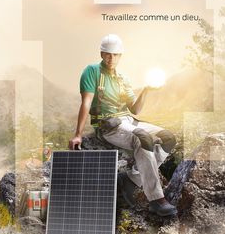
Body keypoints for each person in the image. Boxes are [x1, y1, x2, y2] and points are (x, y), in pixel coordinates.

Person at [69, 34, 177, 216]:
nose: (112, 59)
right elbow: (86, 103)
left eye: (116, 55)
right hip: (109, 125)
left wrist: (146, 90)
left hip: (129, 120)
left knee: (168, 138)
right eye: (108, 54)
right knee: (143, 138)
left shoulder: (123, 78)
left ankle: (132, 178)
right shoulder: (91, 72)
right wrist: (78, 134)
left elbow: (135, 109)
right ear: (102, 54)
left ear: (121, 56)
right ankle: (156, 199)